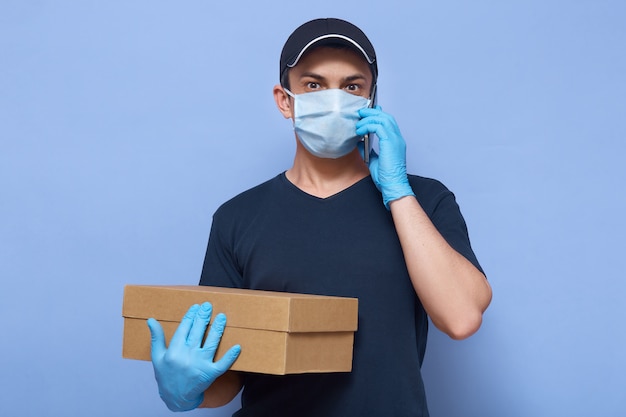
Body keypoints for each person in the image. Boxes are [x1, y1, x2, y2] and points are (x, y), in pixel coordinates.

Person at [147, 17, 492, 416]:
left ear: (371, 103)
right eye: (313, 85)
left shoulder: (425, 201)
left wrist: (398, 192)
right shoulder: (237, 217)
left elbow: (462, 317)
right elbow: (229, 369)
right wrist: (189, 391)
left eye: (351, 86)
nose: (334, 99)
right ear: (285, 100)